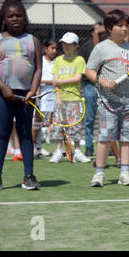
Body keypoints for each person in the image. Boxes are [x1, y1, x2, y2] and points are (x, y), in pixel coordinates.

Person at [0, 0, 42, 191]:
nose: (15, 19)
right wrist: (3, 88)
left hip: (26, 95)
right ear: (4, 18)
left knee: (26, 133)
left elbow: (38, 69)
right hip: (2, 94)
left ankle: (29, 175)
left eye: (18, 15)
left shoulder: (33, 40)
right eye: (10, 16)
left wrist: (32, 91)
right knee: (2, 131)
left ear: (24, 17)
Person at [86, 10, 129, 187]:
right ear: (110, 28)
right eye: (120, 25)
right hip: (108, 101)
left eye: (126, 25)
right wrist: (103, 81)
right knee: (106, 136)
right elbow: (89, 70)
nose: (124, 28)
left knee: (127, 137)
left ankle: (125, 173)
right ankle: (99, 174)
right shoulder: (101, 48)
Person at [48, 32, 91, 163]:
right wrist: (58, 96)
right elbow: (55, 80)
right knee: (58, 125)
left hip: (75, 99)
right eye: (64, 43)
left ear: (76, 46)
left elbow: (77, 78)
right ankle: (58, 151)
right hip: (60, 99)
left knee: (75, 126)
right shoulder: (58, 60)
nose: (66, 46)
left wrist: (60, 82)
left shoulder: (80, 60)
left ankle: (77, 151)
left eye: (69, 44)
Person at [78, 22, 109, 157]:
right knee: (90, 118)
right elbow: (87, 67)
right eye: (97, 31)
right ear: (92, 32)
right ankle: (89, 147)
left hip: (106, 86)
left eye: (102, 30)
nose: (100, 32)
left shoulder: (110, 45)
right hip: (90, 85)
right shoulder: (87, 47)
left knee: (108, 118)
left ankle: (111, 148)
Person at [32, 40, 57, 158]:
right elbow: (37, 80)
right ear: (45, 49)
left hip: (53, 96)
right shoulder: (39, 61)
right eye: (52, 48)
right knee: (37, 122)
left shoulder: (57, 62)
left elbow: (56, 80)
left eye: (56, 48)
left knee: (47, 123)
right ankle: (34, 147)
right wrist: (48, 82)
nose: (54, 51)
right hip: (41, 96)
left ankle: (40, 147)